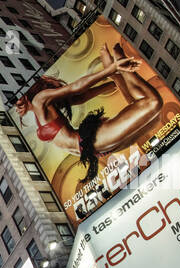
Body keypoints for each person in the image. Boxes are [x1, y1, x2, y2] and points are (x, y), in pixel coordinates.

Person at [13, 44, 163, 188]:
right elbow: (80, 97)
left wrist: (110, 70)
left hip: (93, 141)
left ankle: (119, 65)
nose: (16, 106)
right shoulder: (42, 108)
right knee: (149, 114)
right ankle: (118, 73)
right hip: (94, 149)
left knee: (152, 106)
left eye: (16, 100)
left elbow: (75, 89)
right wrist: (110, 79)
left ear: (26, 92)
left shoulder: (40, 100)